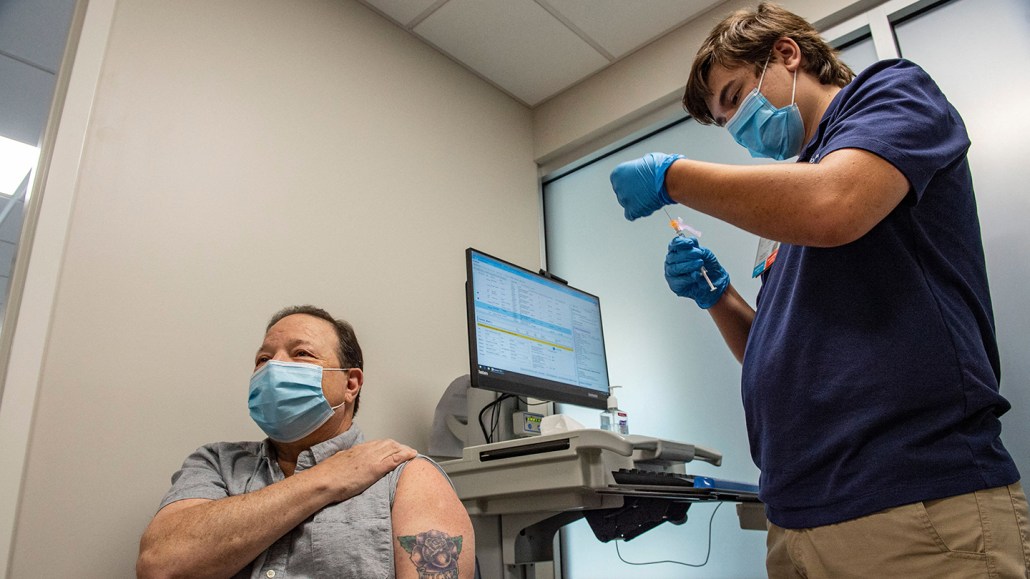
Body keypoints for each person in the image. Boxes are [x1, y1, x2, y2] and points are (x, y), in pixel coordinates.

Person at [609, 3, 1028, 577]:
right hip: (795, 515)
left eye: (735, 97)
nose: (738, 126)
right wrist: (717, 298)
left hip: (908, 499)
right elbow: (779, 349)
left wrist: (672, 177)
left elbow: (833, 204)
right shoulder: (794, 192)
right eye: (725, 120)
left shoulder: (891, 93)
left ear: (786, 54)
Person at [136, 305, 475, 579]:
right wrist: (326, 478)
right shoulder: (217, 464)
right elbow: (160, 566)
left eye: (301, 354)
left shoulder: (406, 476)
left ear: (350, 384)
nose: (274, 366)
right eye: (263, 359)